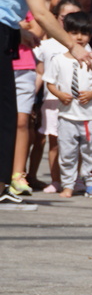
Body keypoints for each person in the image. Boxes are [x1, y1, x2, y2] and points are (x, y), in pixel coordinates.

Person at [1, 0, 91, 206]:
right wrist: (72, 45)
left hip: (8, 32)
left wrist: (19, 32)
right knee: (6, 115)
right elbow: (40, 12)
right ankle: (2, 185)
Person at [43, 11, 92, 198]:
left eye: (84, 33)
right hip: (66, 116)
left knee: (91, 152)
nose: (79, 37)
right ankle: (68, 184)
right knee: (67, 152)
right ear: (66, 33)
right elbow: (50, 83)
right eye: (74, 33)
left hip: (88, 117)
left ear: (90, 36)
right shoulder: (58, 59)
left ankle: (91, 183)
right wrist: (60, 95)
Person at [33, 0, 83, 193]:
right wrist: (32, 100)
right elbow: (40, 73)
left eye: (75, 17)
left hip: (77, 104)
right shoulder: (45, 45)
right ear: (55, 18)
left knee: (77, 143)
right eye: (65, 17)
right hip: (53, 102)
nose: (70, 22)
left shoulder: (82, 46)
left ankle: (75, 179)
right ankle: (56, 180)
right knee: (54, 142)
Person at [7, 13, 41, 197]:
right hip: (5, 63)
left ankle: (18, 175)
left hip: (25, 67)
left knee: (22, 122)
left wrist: (15, 27)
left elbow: (37, 31)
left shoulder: (25, 6)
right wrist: (21, 27)